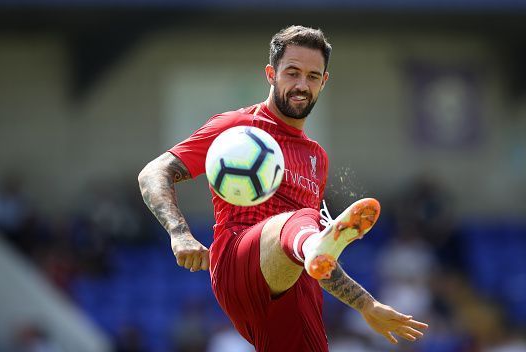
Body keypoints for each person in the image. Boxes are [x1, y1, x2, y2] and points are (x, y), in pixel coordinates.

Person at [138, 25, 428, 351]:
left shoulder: (316, 157)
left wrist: (366, 305)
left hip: (294, 285)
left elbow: (317, 257)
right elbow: (154, 173)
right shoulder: (237, 128)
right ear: (271, 74)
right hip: (238, 263)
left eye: (313, 76)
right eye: (292, 73)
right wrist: (180, 234)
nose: (302, 85)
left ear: (324, 82)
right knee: (304, 219)